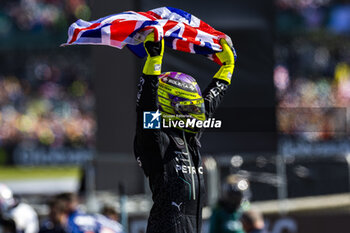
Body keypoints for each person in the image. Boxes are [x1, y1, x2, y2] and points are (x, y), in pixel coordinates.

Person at [134, 31, 235, 233]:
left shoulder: (189, 138)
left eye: (194, 106)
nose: (195, 111)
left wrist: (226, 70)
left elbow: (208, 104)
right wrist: (154, 61)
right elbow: (145, 108)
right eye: (188, 106)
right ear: (166, 103)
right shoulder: (155, 139)